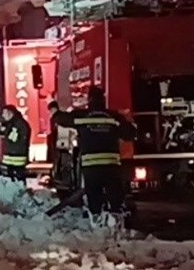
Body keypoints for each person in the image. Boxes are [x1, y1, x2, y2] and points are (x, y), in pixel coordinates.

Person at [49, 87, 136, 215]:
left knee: (94, 198)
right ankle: (116, 221)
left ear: (89, 100)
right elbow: (130, 134)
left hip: (91, 167)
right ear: (103, 99)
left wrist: (54, 109)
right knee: (115, 198)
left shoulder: (82, 116)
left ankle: (97, 223)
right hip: (111, 166)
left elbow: (62, 120)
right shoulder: (114, 117)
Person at [0, 104, 30, 181]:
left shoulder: (18, 124)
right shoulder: (12, 123)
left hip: (16, 157)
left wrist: (5, 132)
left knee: (17, 178)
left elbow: (12, 138)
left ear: (10, 113)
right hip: (12, 156)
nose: (3, 115)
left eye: (4, 113)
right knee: (13, 179)